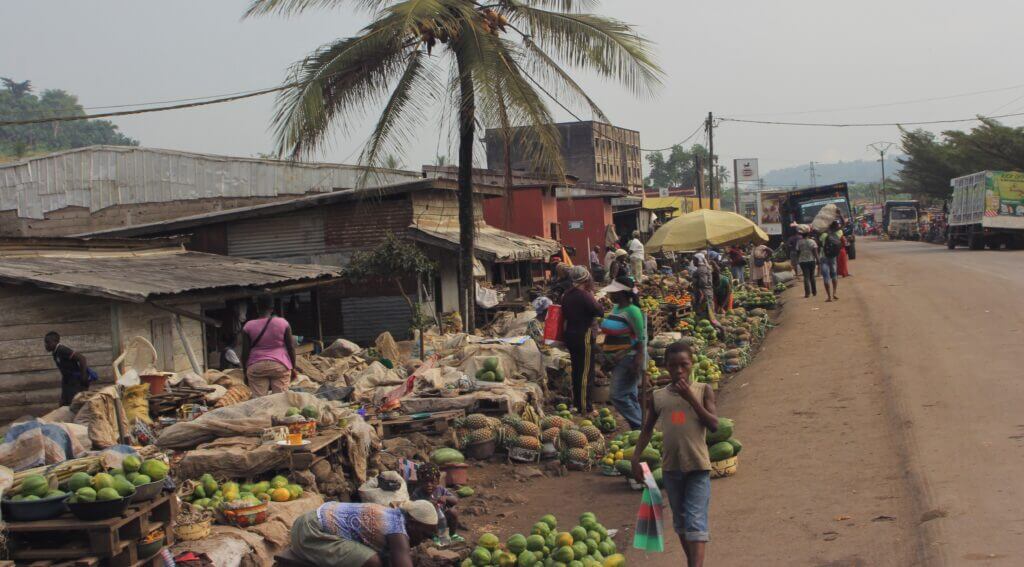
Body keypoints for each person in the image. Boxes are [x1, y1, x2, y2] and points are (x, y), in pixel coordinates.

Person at [631, 342, 718, 567]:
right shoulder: (658, 397)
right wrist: (635, 458)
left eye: (684, 365)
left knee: (695, 521)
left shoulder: (703, 390)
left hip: (698, 465)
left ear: (692, 365)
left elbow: (714, 424)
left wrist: (691, 398)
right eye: (673, 366)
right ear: (665, 367)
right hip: (672, 468)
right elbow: (647, 429)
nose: (678, 370)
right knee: (680, 521)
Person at [290, 499, 438, 567]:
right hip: (310, 533)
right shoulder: (397, 530)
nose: (423, 540)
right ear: (412, 522)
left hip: (307, 520)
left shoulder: (395, 515)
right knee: (373, 562)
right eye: (424, 534)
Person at [598, 276, 645, 430]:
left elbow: (641, 338)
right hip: (617, 360)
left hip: (628, 359)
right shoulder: (617, 308)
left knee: (616, 395)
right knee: (630, 395)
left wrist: (639, 360)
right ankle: (640, 428)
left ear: (622, 293)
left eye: (613, 292)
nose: (610, 295)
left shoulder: (633, 311)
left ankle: (640, 426)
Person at [560, 266, 603, 415]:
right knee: (586, 373)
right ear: (585, 279)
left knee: (577, 371)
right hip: (583, 335)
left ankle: (577, 403)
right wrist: (599, 302)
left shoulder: (566, 294)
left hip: (570, 335)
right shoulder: (584, 295)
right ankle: (586, 408)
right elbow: (598, 311)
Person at [241, 295, 296, 396]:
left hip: (256, 366)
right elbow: (291, 348)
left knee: (259, 401)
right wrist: (293, 367)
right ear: (272, 308)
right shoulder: (283, 323)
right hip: (280, 365)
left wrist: (245, 372)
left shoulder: (248, 326)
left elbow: (245, 352)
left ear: (257, 307)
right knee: (280, 399)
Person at [411, 463, 464, 544]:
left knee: (453, 512)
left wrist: (446, 498)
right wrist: (426, 505)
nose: (429, 485)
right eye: (425, 482)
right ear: (420, 482)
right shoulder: (417, 493)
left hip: (442, 520)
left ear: (438, 481)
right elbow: (413, 507)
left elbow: (455, 500)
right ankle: (434, 537)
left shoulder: (441, 490)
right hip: (427, 522)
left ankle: (452, 534)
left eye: (432, 481)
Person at [44, 331, 95, 407]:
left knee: (75, 404)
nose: (46, 345)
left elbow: (81, 358)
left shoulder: (62, 349)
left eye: (47, 342)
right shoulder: (55, 352)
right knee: (64, 403)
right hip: (68, 381)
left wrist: (83, 376)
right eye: (45, 343)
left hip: (76, 381)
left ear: (55, 342)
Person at [819, 220, 843, 302]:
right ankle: (834, 293)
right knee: (834, 275)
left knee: (826, 277)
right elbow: (842, 226)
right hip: (833, 257)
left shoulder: (823, 235)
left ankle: (829, 297)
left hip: (824, 257)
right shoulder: (838, 234)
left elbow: (819, 242)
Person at [796, 230, 819, 298]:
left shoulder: (799, 242)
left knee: (806, 277)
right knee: (812, 276)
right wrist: (818, 260)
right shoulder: (812, 241)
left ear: (802, 235)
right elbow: (815, 252)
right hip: (811, 260)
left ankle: (807, 293)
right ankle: (814, 292)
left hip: (803, 261)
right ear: (808, 234)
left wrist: (798, 259)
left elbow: (797, 251)